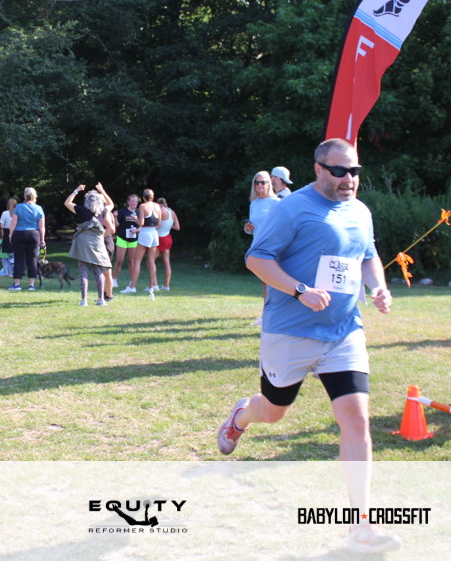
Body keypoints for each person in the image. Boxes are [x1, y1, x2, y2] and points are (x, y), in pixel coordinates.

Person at [218, 138, 400, 554]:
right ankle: (242, 416)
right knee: (274, 411)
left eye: (354, 171)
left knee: (356, 419)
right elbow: (257, 258)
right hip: (291, 331)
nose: (348, 179)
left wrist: (378, 288)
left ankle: (361, 525)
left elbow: (368, 255)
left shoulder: (360, 211)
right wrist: (300, 290)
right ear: (318, 169)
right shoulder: (291, 208)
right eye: (339, 171)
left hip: (343, 332)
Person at [64, 183, 114, 306]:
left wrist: (77, 190)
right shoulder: (103, 211)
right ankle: (101, 299)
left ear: (86, 201)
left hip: (83, 244)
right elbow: (111, 204)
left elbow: (67, 202)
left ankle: (84, 300)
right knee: (98, 271)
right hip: (98, 243)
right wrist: (102, 191)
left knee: (83, 272)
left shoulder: (81, 210)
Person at [8, 187, 46, 291]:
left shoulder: (19, 207)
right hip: (34, 234)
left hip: (19, 234)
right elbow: (42, 226)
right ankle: (31, 285)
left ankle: (17, 284)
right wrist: (42, 239)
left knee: (19, 259)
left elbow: (13, 223)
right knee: (32, 259)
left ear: (25, 196)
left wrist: (10, 235)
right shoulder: (39, 208)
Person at [125, 189, 161, 294]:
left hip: (145, 232)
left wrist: (135, 218)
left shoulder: (143, 206)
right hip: (154, 233)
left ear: (144, 197)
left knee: (137, 261)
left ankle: (132, 287)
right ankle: (152, 286)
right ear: (152, 197)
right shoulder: (157, 206)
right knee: (151, 261)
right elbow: (159, 223)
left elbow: (141, 223)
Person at [112, 194, 138, 288]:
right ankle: (114, 280)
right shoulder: (123, 211)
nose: (134, 203)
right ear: (128, 202)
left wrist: (136, 230)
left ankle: (132, 282)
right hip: (122, 238)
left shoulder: (139, 212)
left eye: (136, 201)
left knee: (131, 261)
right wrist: (115, 217)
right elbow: (117, 225)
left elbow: (141, 225)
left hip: (133, 239)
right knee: (120, 260)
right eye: (132, 201)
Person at [244, 170, 280, 236]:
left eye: (263, 182)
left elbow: (283, 226)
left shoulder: (277, 202)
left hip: (272, 241)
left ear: (268, 184)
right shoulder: (253, 204)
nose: (259, 184)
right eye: (257, 182)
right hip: (257, 241)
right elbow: (252, 230)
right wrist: (247, 229)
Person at [156, 197, 181, 291]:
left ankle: (154, 284)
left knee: (150, 261)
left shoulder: (160, 212)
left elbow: (156, 225)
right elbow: (177, 227)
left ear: (159, 204)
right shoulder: (172, 212)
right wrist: (169, 225)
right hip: (168, 238)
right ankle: (166, 286)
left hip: (160, 238)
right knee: (167, 263)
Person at [0, 197, 17, 277]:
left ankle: (7, 271)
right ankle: (12, 271)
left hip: (6, 232)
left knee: (6, 252)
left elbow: (1, 225)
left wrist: (2, 235)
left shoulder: (5, 213)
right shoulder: (17, 213)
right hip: (15, 232)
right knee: (13, 252)